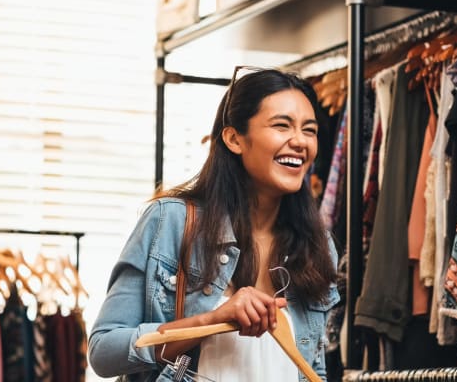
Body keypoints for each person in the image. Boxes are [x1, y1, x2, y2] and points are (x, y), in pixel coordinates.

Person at [88, 68, 339, 382]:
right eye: (281, 126)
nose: (300, 142)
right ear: (234, 138)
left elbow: (313, 368)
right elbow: (103, 351)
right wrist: (212, 319)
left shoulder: (317, 246)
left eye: (310, 130)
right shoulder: (172, 221)